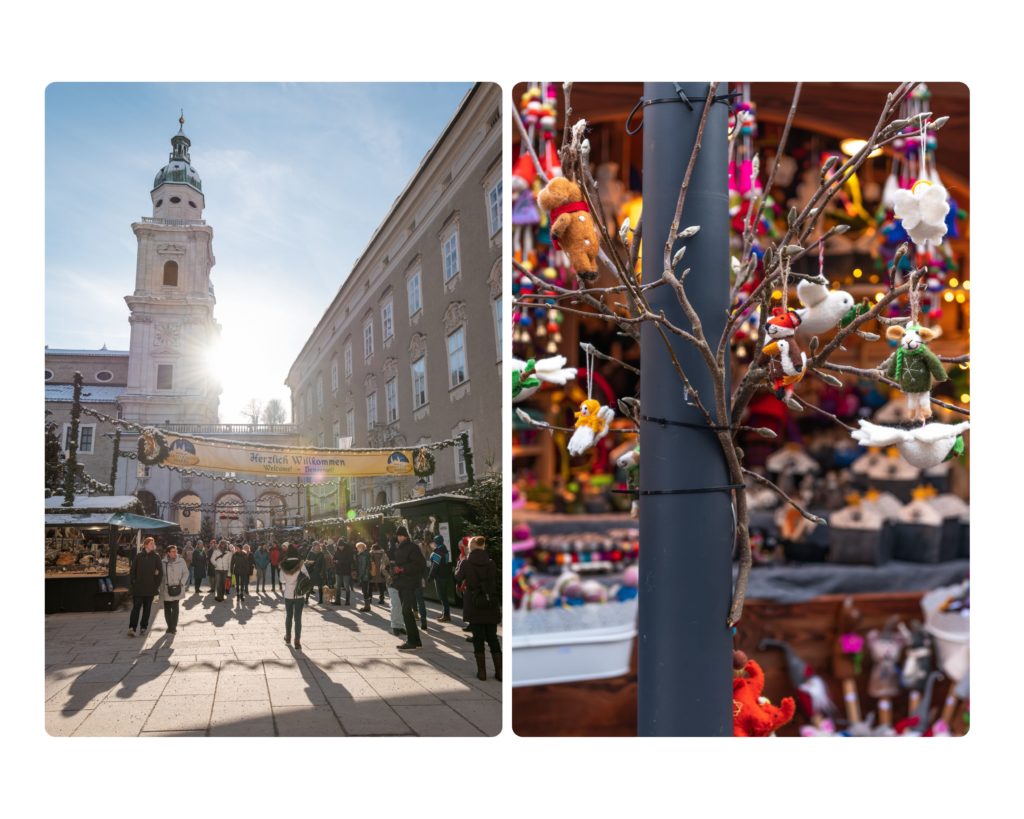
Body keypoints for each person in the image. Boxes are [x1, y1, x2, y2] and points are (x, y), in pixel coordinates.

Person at [454, 535, 501, 680]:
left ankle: (482, 672)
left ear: (470, 548)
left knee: (478, 638)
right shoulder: (491, 563)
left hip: (474, 603)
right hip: (490, 603)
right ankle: (500, 673)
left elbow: (457, 578)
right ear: (483, 546)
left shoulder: (466, 563)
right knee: (493, 638)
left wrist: (459, 566)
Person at [391, 526, 426, 650]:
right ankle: (416, 641)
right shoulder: (399, 548)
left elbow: (420, 564)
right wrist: (395, 569)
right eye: (398, 536)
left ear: (405, 536)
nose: (399, 538)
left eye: (401, 535)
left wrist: (403, 569)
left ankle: (412, 641)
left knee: (406, 611)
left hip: (410, 583)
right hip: (401, 582)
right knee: (407, 612)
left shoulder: (412, 547)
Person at [128, 536, 163, 637]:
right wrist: (134, 582)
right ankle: (132, 628)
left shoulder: (156, 557)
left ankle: (143, 627)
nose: (153, 545)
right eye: (151, 543)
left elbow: (160, 572)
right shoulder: (139, 556)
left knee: (147, 609)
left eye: (153, 543)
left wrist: (155, 584)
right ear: (146, 545)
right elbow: (133, 570)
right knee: (136, 608)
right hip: (138, 588)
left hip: (150, 588)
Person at [280, 543, 310, 651]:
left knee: (289, 616)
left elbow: (282, 580)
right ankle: (297, 641)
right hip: (299, 593)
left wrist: (289, 580)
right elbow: (307, 577)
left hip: (288, 593)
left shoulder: (283, 564)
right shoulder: (301, 564)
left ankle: (288, 637)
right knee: (298, 618)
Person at [160, 544, 189, 634]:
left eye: (176, 551)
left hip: (177, 588)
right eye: (173, 551)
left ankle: (174, 627)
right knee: (167, 608)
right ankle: (169, 626)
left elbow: (186, 573)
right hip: (166, 588)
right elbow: (161, 576)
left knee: (175, 608)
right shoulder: (163, 562)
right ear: (168, 553)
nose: (175, 553)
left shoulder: (181, 561)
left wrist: (182, 583)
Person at [427, 534, 452, 622]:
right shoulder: (444, 550)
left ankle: (446, 615)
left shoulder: (438, 552)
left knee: (442, 596)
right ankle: (444, 613)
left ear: (436, 542)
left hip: (439, 576)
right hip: (444, 575)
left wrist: (430, 577)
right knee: (443, 595)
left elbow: (435, 566)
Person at [333, 539, 354, 605]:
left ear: (344, 545)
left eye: (341, 546)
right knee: (337, 586)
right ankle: (337, 601)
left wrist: (339, 561)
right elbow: (334, 558)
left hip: (346, 571)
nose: (340, 547)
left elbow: (350, 561)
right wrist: (334, 561)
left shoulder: (348, 551)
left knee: (346, 586)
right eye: (339, 546)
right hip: (338, 571)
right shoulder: (337, 551)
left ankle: (347, 601)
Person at [355, 542, 373, 612]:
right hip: (365, 575)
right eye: (357, 548)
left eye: (359, 547)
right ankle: (367, 606)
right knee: (365, 590)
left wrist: (360, 576)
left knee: (365, 590)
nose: (357, 549)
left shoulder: (364, 555)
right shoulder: (362, 554)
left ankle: (367, 606)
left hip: (364, 575)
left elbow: (363, 567)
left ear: (362, 548)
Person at [369, 541, 388, 605]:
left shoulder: (371, 554)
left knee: (370, 586)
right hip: (381, 572)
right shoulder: (383, 554)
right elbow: (386, 562)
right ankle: (381, 599)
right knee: (381, 586)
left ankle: (369, 599)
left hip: (372, 571)